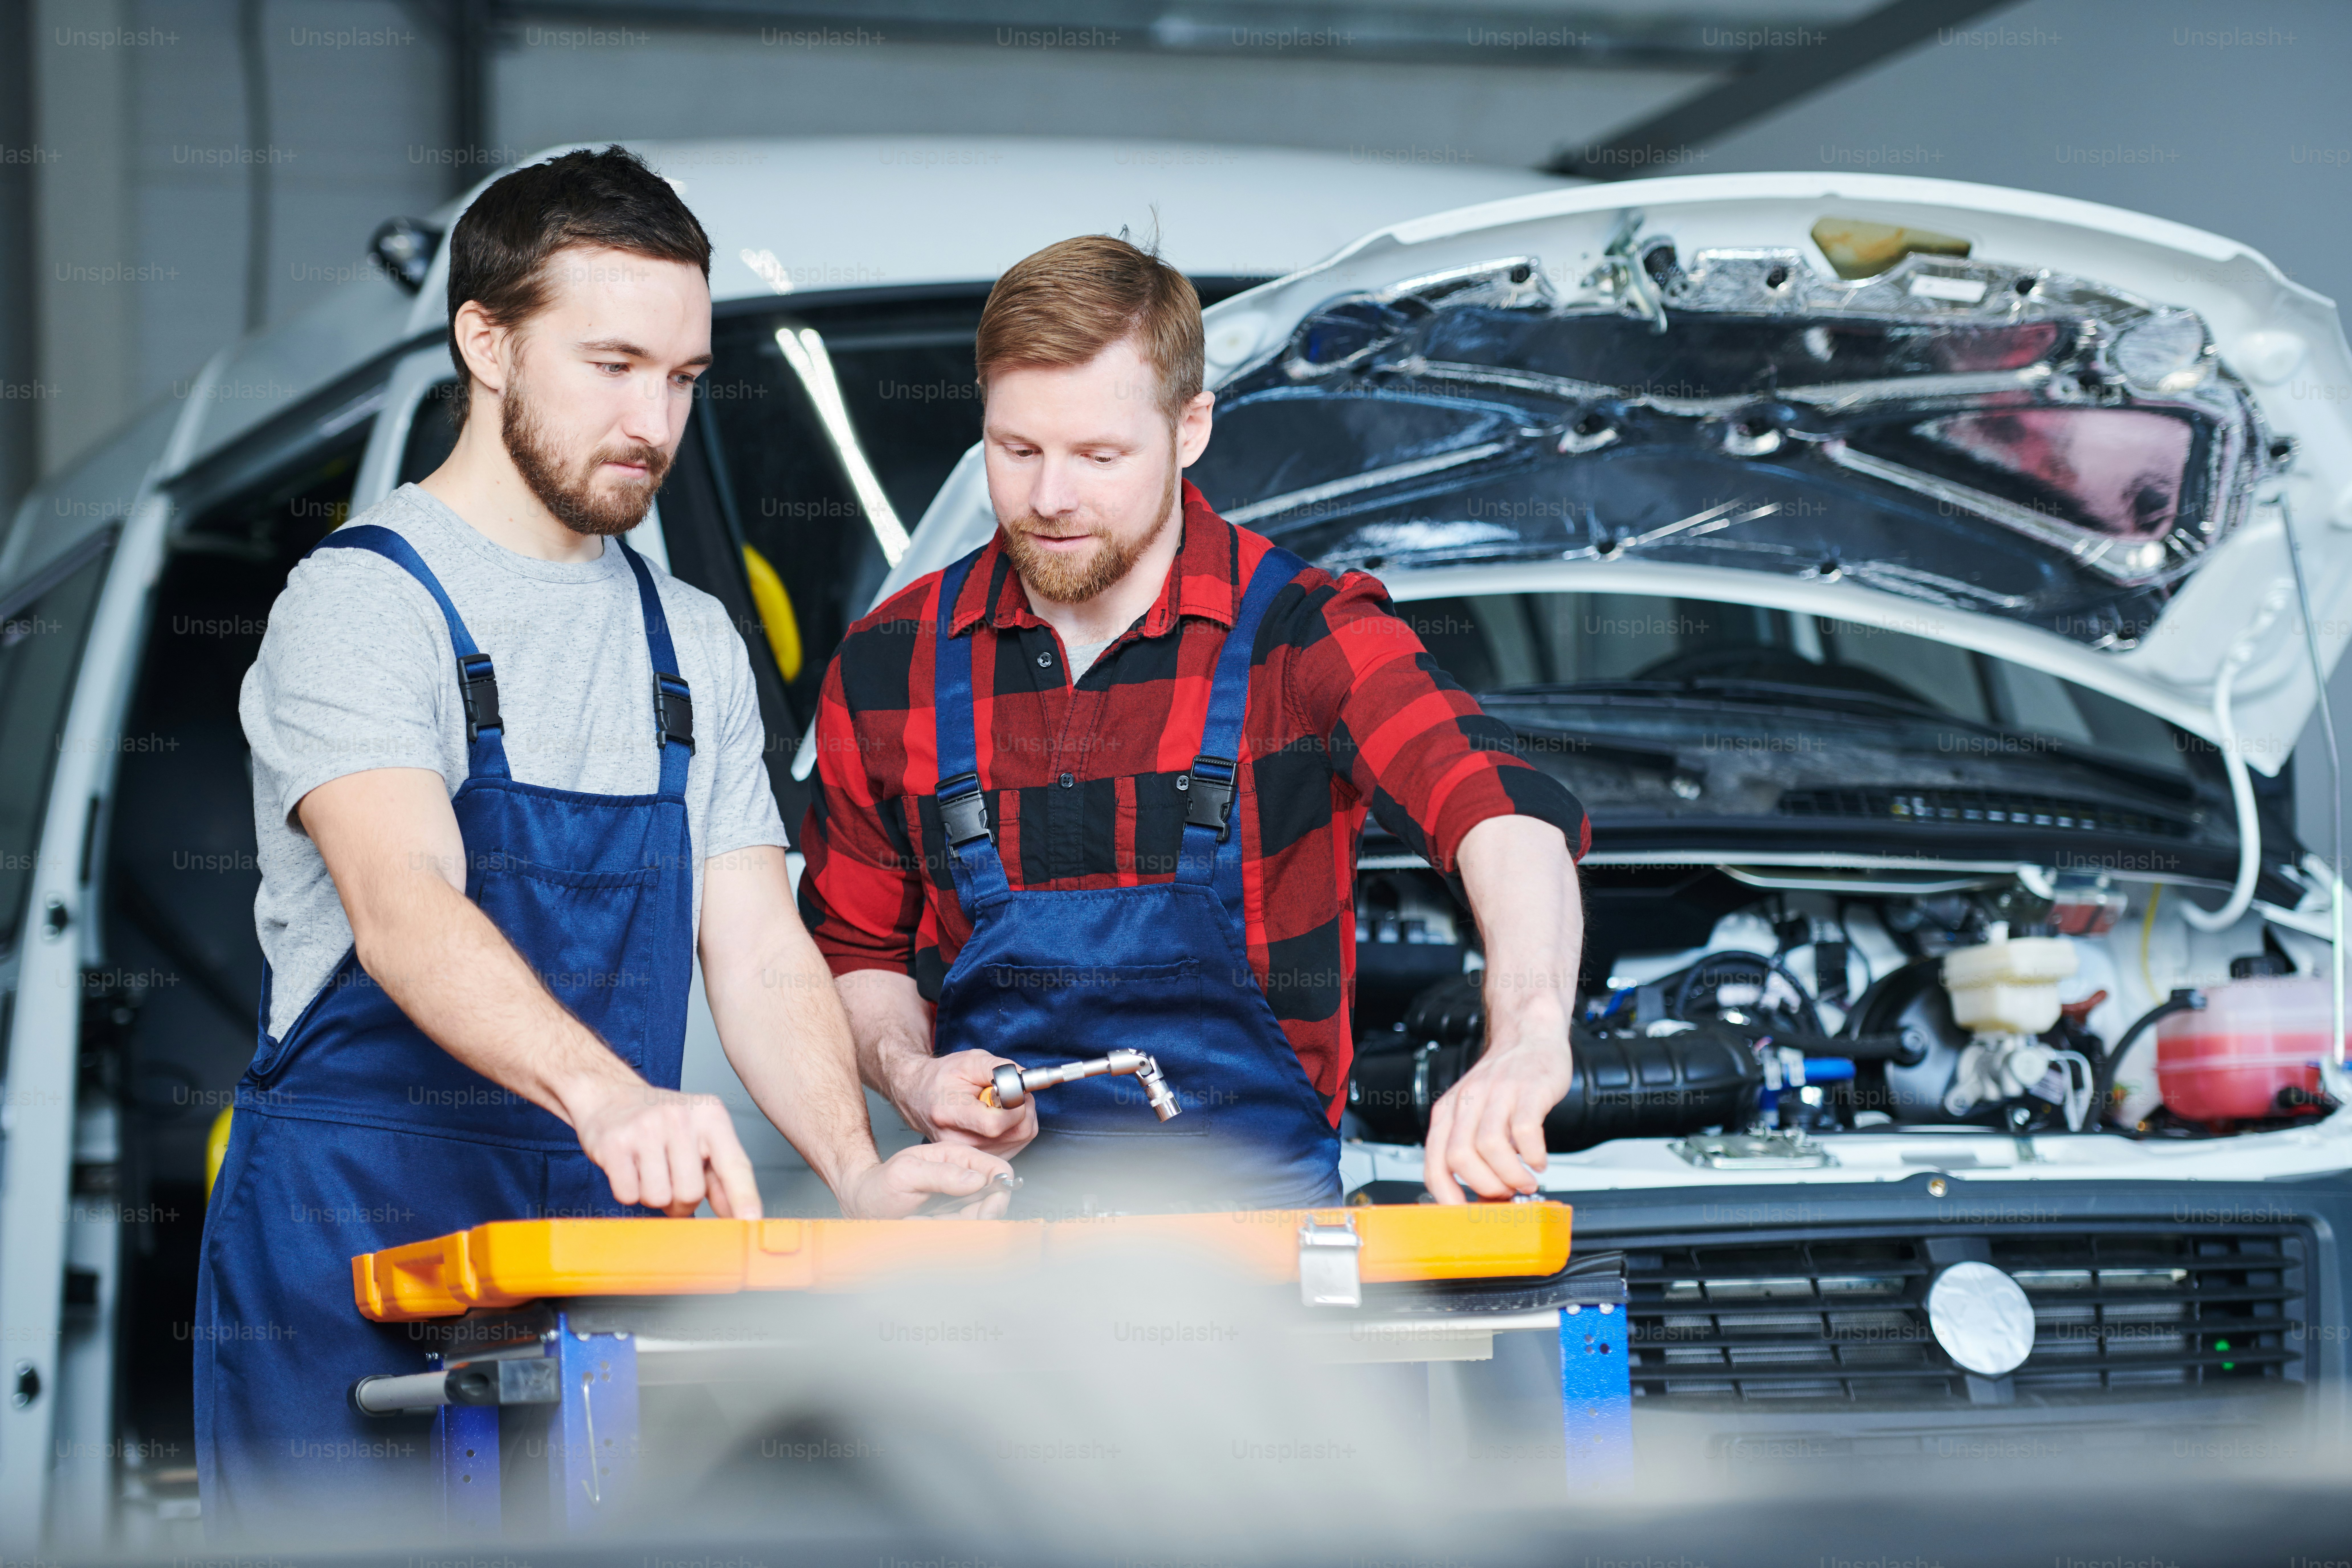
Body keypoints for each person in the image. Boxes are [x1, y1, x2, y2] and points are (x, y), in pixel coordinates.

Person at [193, 147, 1010, 1535]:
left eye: (686, 378)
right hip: (350, 1248)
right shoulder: (359, 606)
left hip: (584, 1264)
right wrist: (611, 1094)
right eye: (615, 364)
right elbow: (404, 906)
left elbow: (757, 947)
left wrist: (860, 1165)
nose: (656, 419)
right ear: (487, 342)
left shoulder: (687, 638)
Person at [799, 234, 1589, 1213]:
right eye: (1017, 450)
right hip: (987, 1255)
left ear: (1190, 427)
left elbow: (1495, 809)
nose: (1050, 499)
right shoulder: (890, 664)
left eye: (1099, 455)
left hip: (1260, 1266)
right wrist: (912, 1075)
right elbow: (858, 950)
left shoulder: (1305, 639)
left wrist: (1526, 1032)